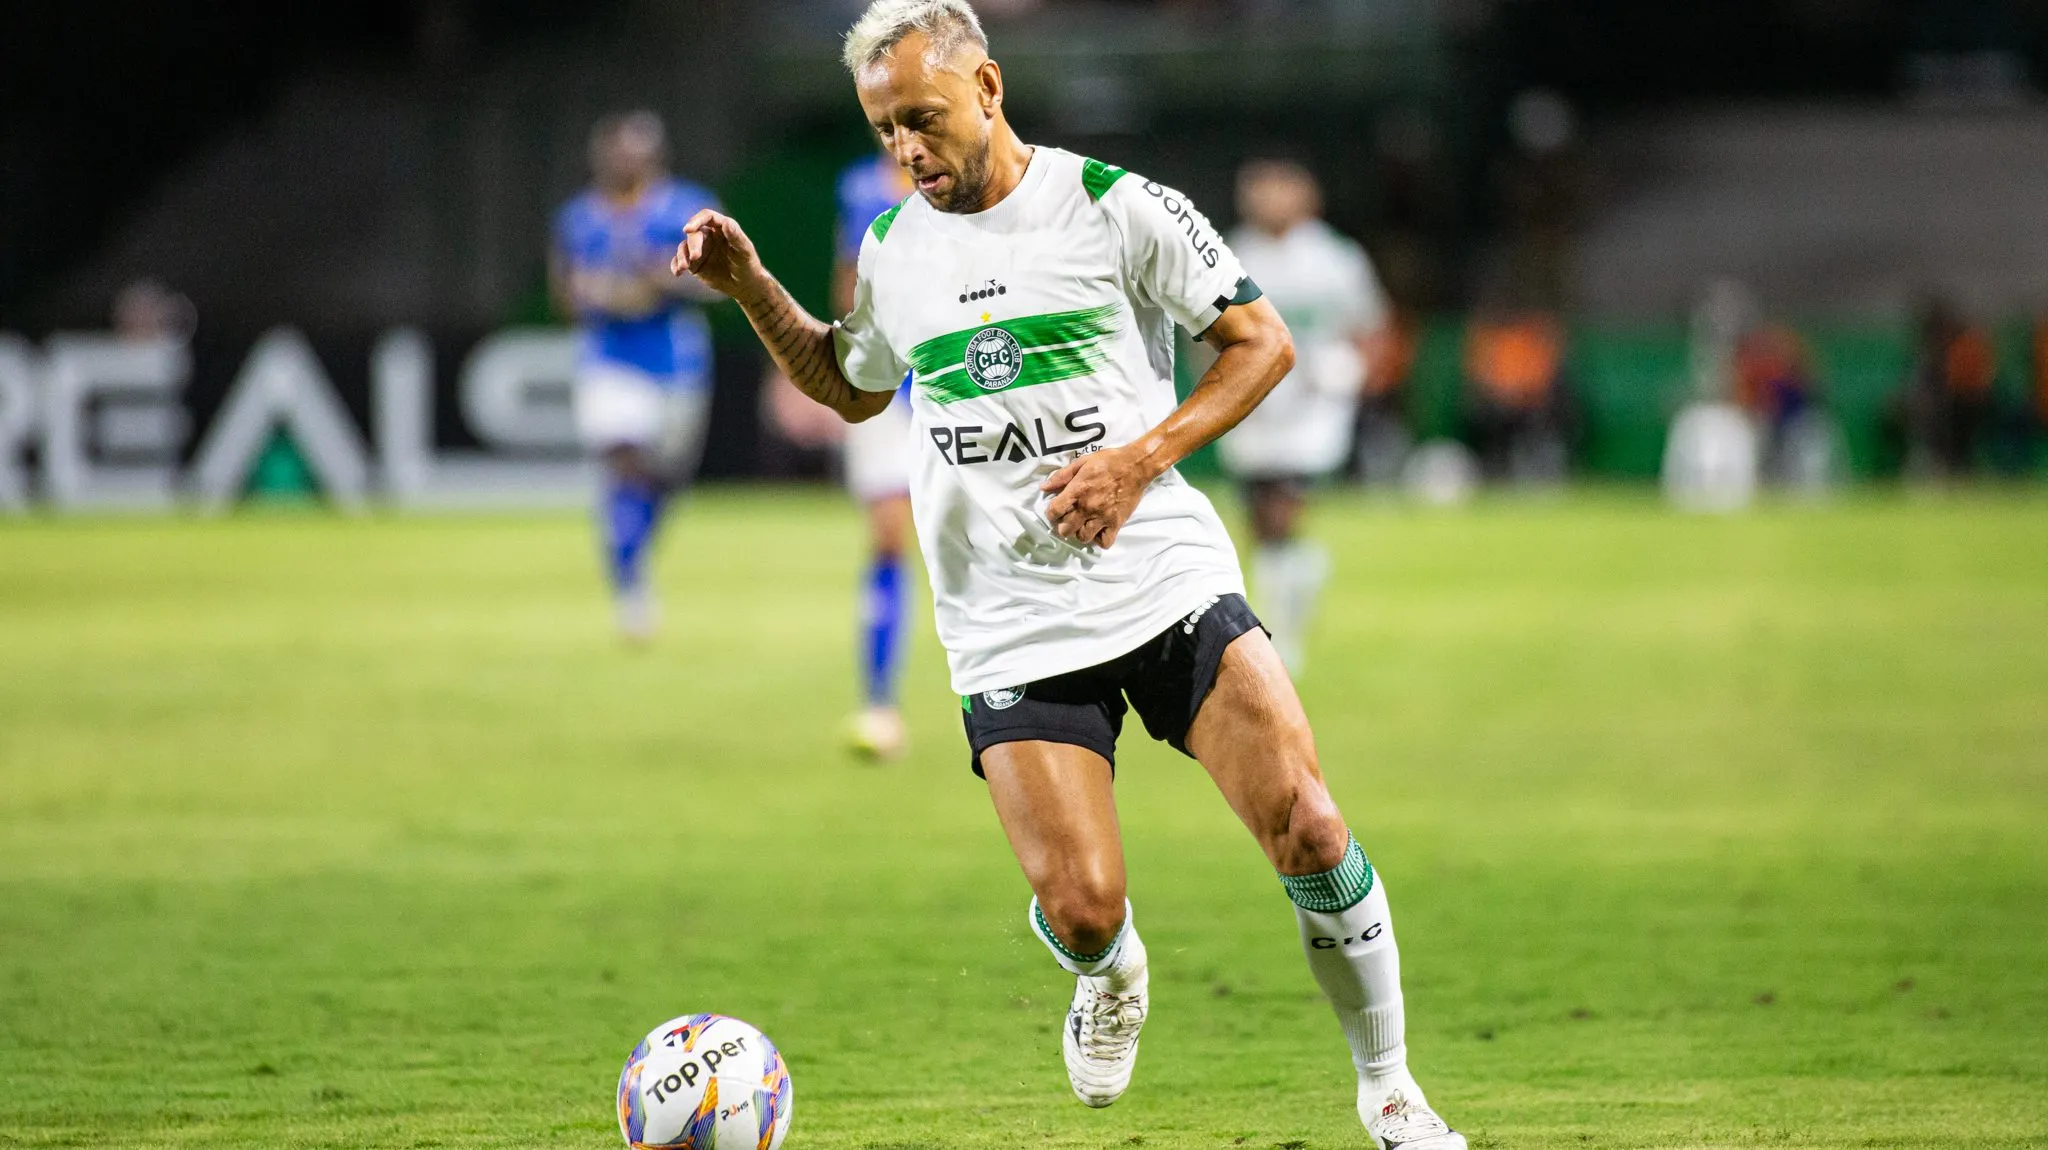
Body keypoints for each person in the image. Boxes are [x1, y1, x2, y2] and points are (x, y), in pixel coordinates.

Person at [668, 4, 1467, 1146]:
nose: (907, 151)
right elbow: (848, 386)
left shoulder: (1114, 207)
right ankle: (1107, 968)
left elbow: (1262, 342)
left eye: (924, 119)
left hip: (1158, 577)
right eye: (886, 130)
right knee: (1080, 907)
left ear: (986, 87)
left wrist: (1140, 461)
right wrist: (749, 282)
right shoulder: (899, 248)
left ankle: (1389, 1089)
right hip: (1006, 616)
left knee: (1309, 824)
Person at [550, 111, 722, 642]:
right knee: (622, 462)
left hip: (676, 363)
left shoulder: (684, 208)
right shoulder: (579, 217)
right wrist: (599, 295)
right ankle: (629, 587)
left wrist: (664, 283)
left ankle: (633, 557)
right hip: (610, 361)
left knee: (663, 479)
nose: (626, 163)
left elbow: (720, 283)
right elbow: (566, 293)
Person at [1216, 159, 1391, 675]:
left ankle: (1276, 638)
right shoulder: (1231, 252)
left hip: (1313, 407)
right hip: (1252, 401)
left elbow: (1371, 326)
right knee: (1260, 519)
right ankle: (1296, 586)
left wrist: (1353, 375)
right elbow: (1203, 327)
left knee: (1282, 504)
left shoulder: (1335, 258)